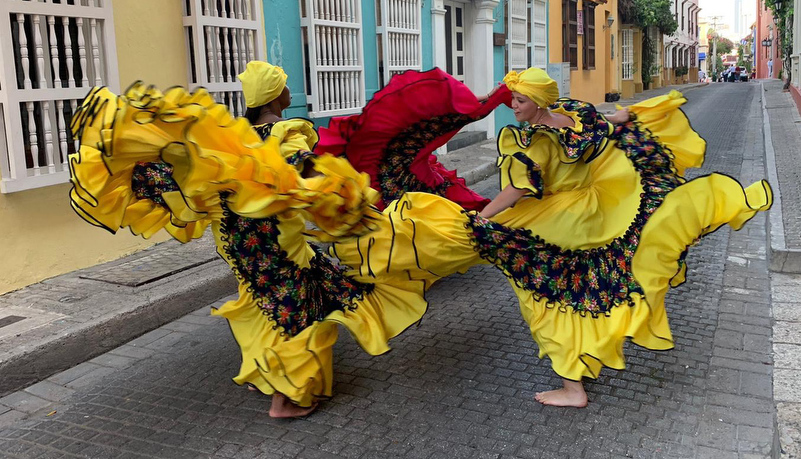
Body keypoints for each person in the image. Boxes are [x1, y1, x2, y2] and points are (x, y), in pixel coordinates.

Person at [331, 67, 772, 408]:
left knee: (544, 297)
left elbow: (519, 188)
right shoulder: (577, 114)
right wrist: (632, 115)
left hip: (559, 219)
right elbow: (613, 118)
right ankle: (577, 370)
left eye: (520, 100)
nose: (514, 106)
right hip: (594, 208)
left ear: (538, 103)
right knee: (575, 286)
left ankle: (572, 385)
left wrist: (482, 218)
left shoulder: (535, 140)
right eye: (514, 100)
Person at [68, 65, 429, 418]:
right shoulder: (285, 131)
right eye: (286, 86)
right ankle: (287, 399)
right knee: (295, 310)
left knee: (261, 301)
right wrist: (338, 195)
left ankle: (263, 373)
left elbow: (188, 178)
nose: (291, 92)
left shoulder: (230, 139)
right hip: (273, 240)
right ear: (276, 95)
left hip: (234, 239)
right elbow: (301, 165)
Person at [316, 68, 511, 211]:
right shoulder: (404, 125)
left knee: (444, 196)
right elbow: (460, 109)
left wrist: (490, 97)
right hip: (404, 165)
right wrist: (494, 97)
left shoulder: (411, 123)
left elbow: (457, 107)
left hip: (410, 165)